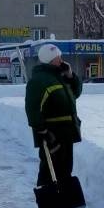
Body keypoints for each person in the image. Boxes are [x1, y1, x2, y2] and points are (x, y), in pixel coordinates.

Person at [25, 43, 82, 187]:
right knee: (50, 166)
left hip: (67, 130)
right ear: (49, 60)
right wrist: (42, 131)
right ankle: (49, 197)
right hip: (52, 131)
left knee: (65, 165)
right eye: (58, 57)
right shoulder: (39, 81)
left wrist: (70, 76)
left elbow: (75, 94)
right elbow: (32, 108)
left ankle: (65, 195)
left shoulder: (60, 77)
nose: (61, 60)